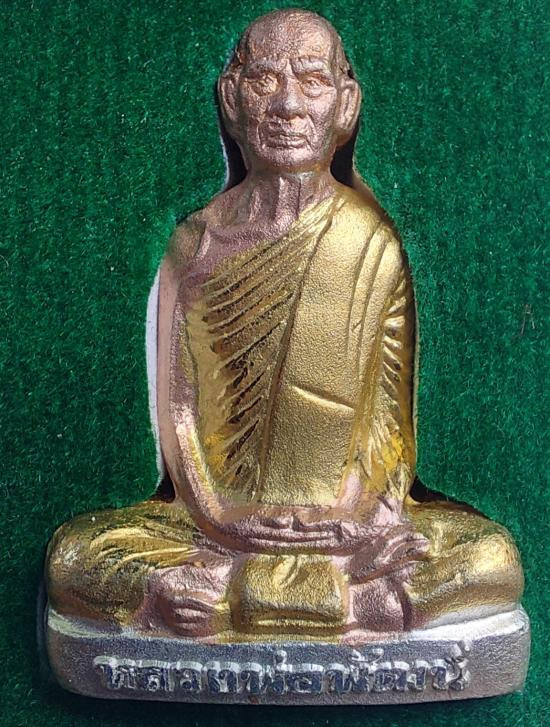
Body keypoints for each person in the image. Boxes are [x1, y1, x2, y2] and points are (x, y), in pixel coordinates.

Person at [46, 9, 523, 640]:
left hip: (345, 530)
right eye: (265, 80)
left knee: (490, 557)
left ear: (346, 105)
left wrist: (365, 519)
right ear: (232, 99)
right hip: (215, 532)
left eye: (312, 81)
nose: (288, 105)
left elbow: (388, 419)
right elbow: (179, 409)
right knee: (74, 557)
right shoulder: (197, 242)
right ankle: (334, 605)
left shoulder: (370, 241)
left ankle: (253, 606)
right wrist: (220, 517)